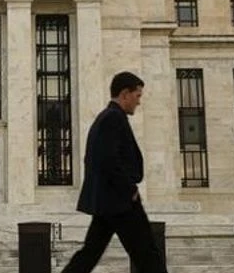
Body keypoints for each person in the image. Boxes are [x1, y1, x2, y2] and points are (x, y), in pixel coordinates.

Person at [61, 71, 169, 273]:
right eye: (137, 96)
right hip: (120, 201)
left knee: (89, 254)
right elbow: (107, 159)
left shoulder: (106, 118)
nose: (138, 102)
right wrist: (129, 189)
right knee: (146, 253)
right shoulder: (113, 118)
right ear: (125, 94)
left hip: (108, 201)